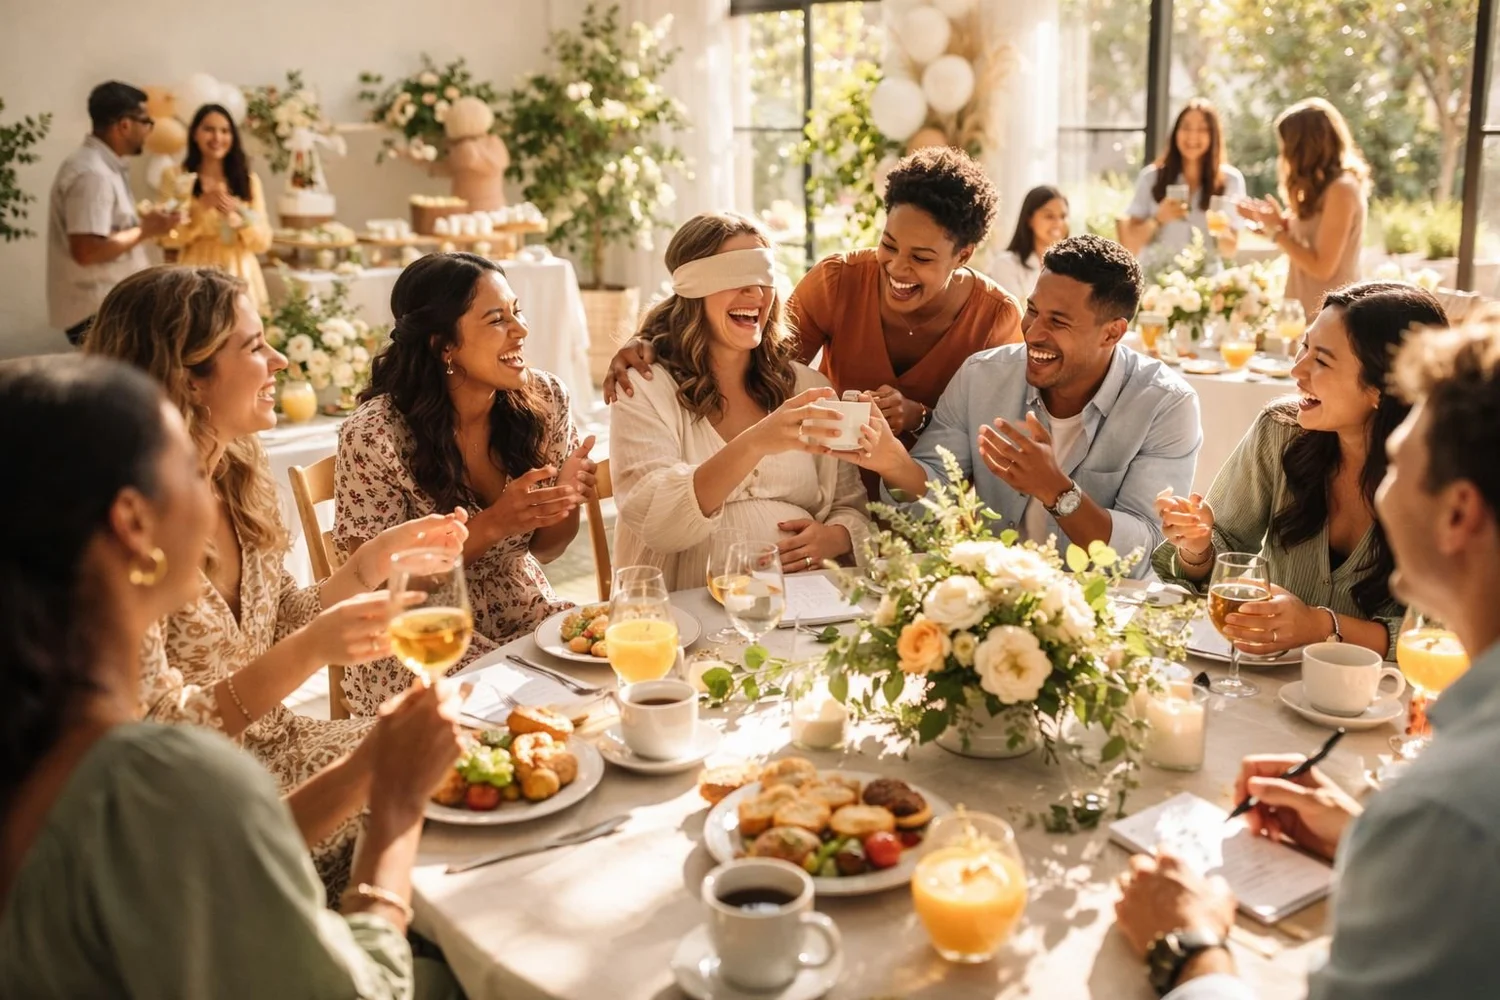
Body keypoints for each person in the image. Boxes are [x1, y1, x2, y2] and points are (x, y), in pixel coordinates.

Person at [0, 354, 465, 999]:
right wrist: (394, 812)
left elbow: (211, 855)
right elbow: (364, 991)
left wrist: (370, 767)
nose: (210, 483)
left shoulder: (45, 754)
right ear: (133, 523)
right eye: (189, 471)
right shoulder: (168, 776)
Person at [1115, 314, 1500, 999]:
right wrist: (1366, 837)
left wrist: (1192, 945)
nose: (1382, 488)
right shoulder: (1449, 807)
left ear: (1459, 514)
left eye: (1402, 467)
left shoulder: (1451, 809)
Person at [83, 265, 467, 892]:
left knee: (460, 755)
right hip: (199, 796)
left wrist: (367, 566)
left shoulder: (236, 469)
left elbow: (277, 615)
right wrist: (313, 649)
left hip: (284, 743)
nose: (281, 360)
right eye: (256, 346)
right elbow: (160, 737)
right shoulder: (122, 529)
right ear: (189, 378)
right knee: (433, 812)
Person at [605, 147, 1022, 462]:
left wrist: (919, 417)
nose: (897, 267)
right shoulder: (838, 281)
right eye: (889, 245)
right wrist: (655, 342)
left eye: (922, 258)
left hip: (932, 504)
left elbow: (989, 446)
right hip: (831, 486)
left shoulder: (995, 318)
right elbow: (758, 359)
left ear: (963, 255)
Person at [336, 252, 595, 714]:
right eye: (496, 320)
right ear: (443, 346)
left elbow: (549, 550)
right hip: (418, 633)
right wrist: (493, 524)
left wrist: (565, 501)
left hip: (520, 602)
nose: (521, 330)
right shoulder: (375, 436)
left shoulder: (545, 400)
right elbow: (379, 586)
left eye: (517, 312)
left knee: (602, 671)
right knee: (530, 709)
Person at [846, 234, 1200, 573]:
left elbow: (1145, 552)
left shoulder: (1166, 405)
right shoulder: (981, 376)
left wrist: (1057, 491)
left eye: (1058, 322)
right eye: (1032, 310)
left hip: (1106, 609)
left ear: (1112, 333)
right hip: (994, 598)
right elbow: (928, 507)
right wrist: (893, 462)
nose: (1032, 332)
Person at [1153, 281, 1446, 658]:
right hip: (1275, 680)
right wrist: (1197, 548)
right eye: (1304, 347)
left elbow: (1439, 637)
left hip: (1386, 698)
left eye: (1321, 360)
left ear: (1382, 388)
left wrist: (1321, 626)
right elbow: (1217, 562)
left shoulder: (1445, 480)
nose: (1297, 369)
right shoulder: (1279, 431)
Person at [608, 211, 873, 590]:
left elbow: (853, 508)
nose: (755, 294)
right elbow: (658, 523)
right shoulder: (645, 386)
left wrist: (839, 537)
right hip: (687, 610)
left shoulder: (808, 387)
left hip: (808, 607)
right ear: (693, 287)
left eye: (763, 279)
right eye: (736, 276)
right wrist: (755, 442)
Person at [46, 81, 181, 345]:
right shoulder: (92, 174)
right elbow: (87, 250)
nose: (149, 131)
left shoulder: (104, 166)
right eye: (146, 122)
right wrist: (146, 230)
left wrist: (144, 224)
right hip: (99, 308)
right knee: (117, 385)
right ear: (124, 124)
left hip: (107, 305)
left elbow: (107, 232)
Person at [1239, 98, 1370, 318]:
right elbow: (1306, 245)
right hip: (1303, 311)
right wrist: (1274, 225)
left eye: (1286, 147)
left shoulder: (1342, 190)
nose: (1284, 156)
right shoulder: (1320, 190)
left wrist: (1278, 233)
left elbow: (1322, 267)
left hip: (1330, 318)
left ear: (1304, 148)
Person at [160, 103, 273, 312]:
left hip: (241, 270)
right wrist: (200, 209)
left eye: (224, 131)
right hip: (195, 271)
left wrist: (240, 222)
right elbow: (167, 237)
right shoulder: (175, 177)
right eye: (208, 129)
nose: (217, 138)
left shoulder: (248, 181)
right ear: (194, 133)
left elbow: (263, 242)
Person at [1118, 99, 1245, 269]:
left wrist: (1220, 228)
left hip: (1206, 285)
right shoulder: (1151, 178)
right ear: (1175, 133)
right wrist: (1158, 219)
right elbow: (1130, 243)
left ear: (1213, 135)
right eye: (1186, 127)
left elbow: (1230, 251)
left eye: (1202, 129)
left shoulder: (1230, 180)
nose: (1192, 136)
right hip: (1156, 282)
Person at [991, 185, 1069, 301]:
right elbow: (1016, 314)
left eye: (1063, 216)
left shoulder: (1072, 268)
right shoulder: (1006, 264)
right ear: (1029, 219)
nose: (1058, 223)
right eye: (1049, 216)